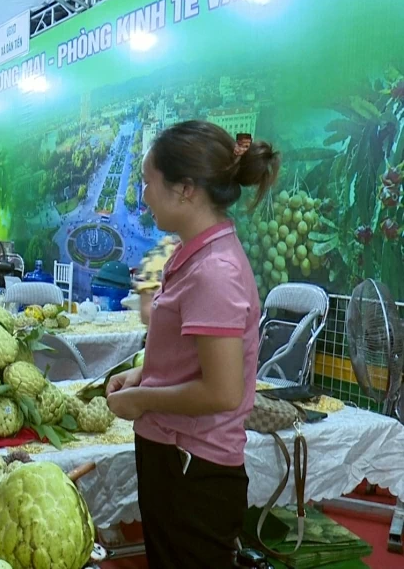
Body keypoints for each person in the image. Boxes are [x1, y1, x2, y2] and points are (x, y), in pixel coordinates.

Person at [105, 120, 280, 568]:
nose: (144, 195)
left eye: (149, 183)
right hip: (177, 460)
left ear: (185, 190)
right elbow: (193, 358)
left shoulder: (213, 272)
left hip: (192, 471)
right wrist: (143, 372)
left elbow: (222, 391)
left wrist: (141, 399)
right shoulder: (196, 255)